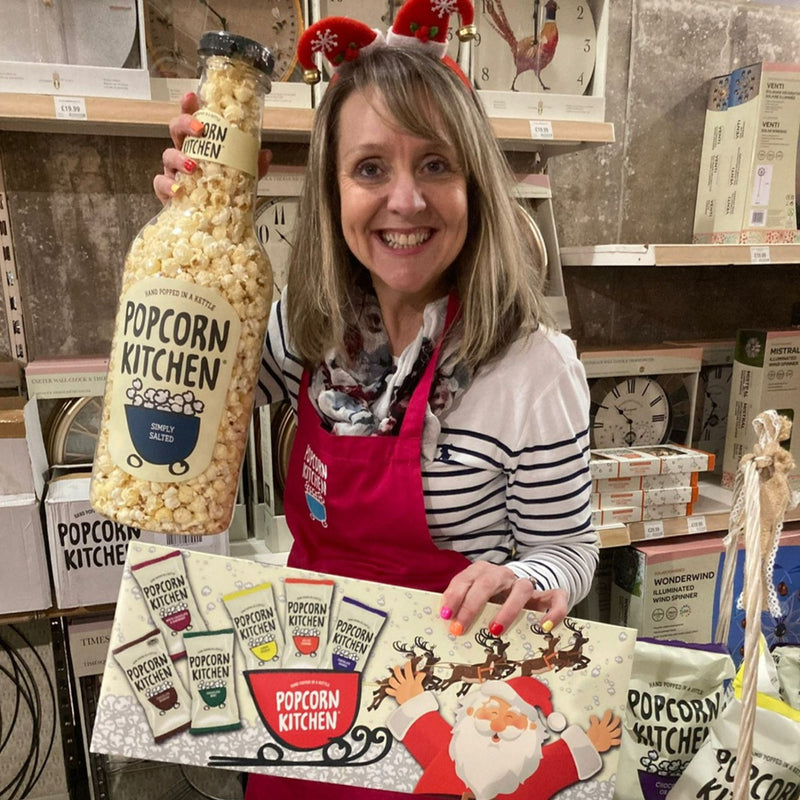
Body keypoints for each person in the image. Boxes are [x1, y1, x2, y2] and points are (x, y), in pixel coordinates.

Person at [154, 6, 598, 798]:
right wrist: (194, 231)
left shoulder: (534, 367)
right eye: (369, 169)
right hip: (307, 708)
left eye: (435, 164)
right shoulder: (307, 330)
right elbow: (187, 417)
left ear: (476, 186)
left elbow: (568, 547)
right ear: (331, 191)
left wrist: (527, 578)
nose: (405, 200)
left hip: (458, 726)